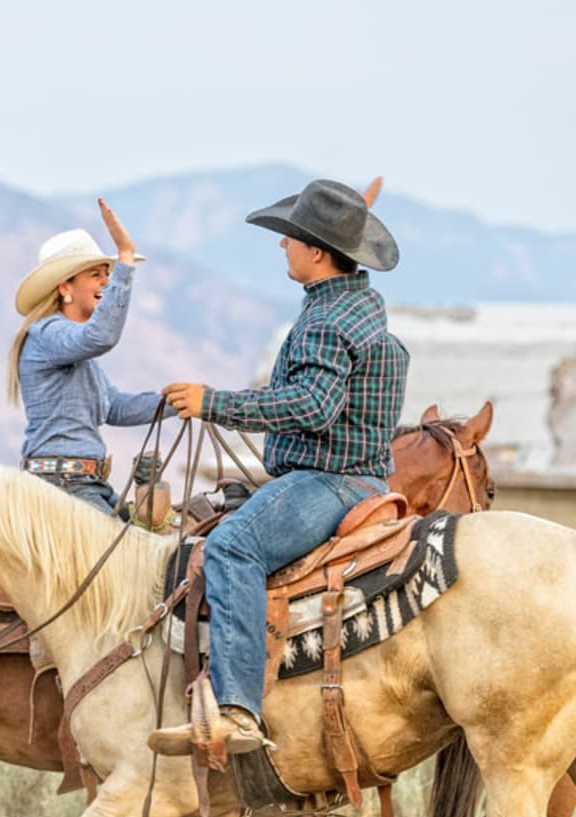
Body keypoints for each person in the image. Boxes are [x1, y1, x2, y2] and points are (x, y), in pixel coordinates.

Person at [150, 179, 408, 754]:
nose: (282, 246)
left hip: (329, 483)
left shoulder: (325, 321)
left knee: (232, 547)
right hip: (360, 476)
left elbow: (313, 405)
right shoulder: (358, 307)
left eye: (290, 237)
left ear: (317, 252)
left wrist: (213, 403)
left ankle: (237, 709)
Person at [9, 199, 166, 514]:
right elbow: (101, 336)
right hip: (62, 484)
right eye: (96, 274)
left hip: (81, 483)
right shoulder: (47, 334)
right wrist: (124, 258)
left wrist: (181, 401)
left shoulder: (73, 350)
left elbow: (115, 407)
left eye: (107, 274)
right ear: (66, 286)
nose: (106, 282)